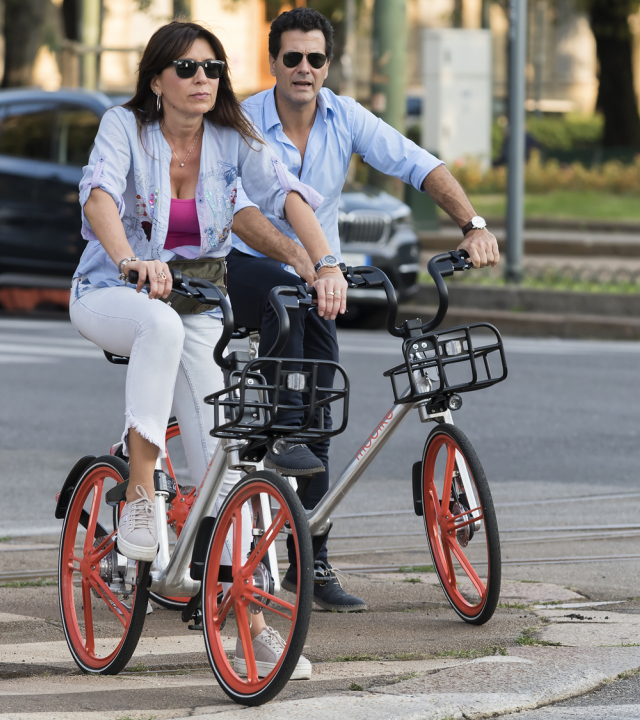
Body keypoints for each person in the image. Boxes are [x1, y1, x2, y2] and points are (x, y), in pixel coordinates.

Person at [69, 21, 326, 678]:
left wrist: (313, 259)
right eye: (186, 69)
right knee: (161, 328)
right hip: (111, 290)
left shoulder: (229, 140)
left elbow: (279, 194)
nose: (201, 80)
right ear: (157, 79)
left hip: (194, 302)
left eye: (212, 68)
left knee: (225, 464)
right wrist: (131, 260)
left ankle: (254, 623)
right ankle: (139, 495)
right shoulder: (123, 127)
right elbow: (99, 194)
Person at [225, 7, 501, 613]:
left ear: (329, 64)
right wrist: (301, 259)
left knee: (324, 410)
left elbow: (418, 163)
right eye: (292, 58)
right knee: (282, 307)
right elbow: (239, 210)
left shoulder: (344, 117)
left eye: (315, 59)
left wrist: (473, 224)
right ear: (273, 61)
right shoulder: (242, 120)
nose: (304, 69)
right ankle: (284, 431)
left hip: (320, 276)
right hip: (250, 267)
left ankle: (311, 557)